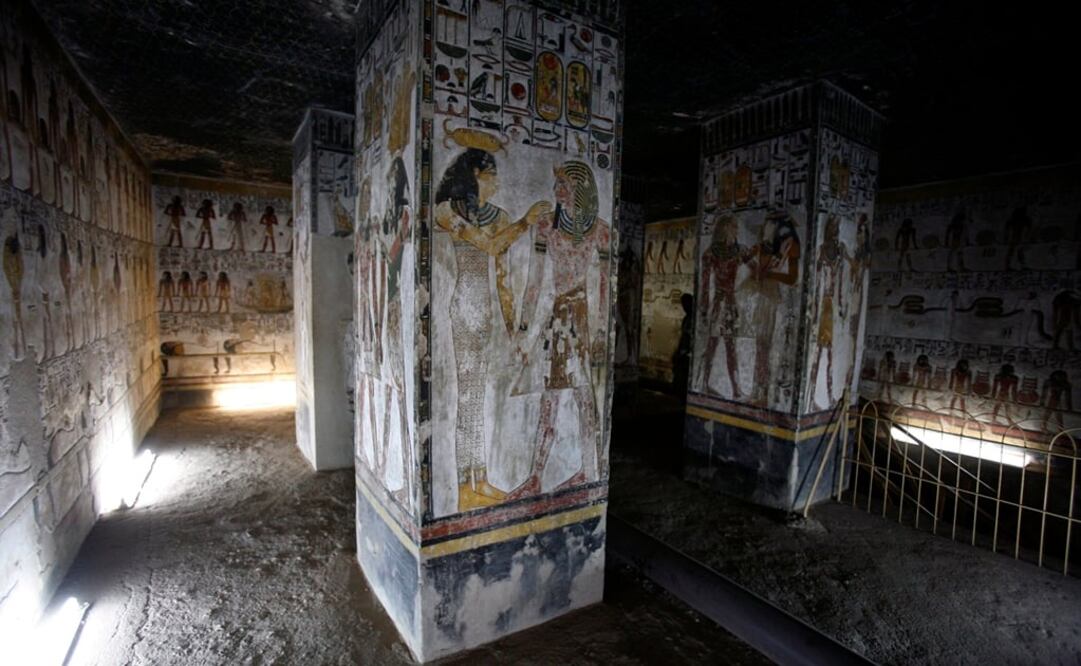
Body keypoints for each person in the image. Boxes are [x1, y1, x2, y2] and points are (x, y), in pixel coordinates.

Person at [434, 141, 550, 511]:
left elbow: (502, 277)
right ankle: (463, 483)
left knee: (477, 398)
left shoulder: (498, 216)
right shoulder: (447, 211)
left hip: (483, 310)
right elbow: (487, 245)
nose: (498, 183)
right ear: (475, 176)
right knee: (465, 398)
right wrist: (524, 223)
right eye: (493, 176)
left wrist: (514, 328)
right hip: (463, 308)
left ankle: (479, 478)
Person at [508, 160, 609, 501]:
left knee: (585, 399)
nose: (557, 191)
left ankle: (587, 470)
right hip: (558, 317)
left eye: (564, 185)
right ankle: (536, 475)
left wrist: (599, 334)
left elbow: (605, 287)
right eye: (557, 186)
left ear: (580, 190)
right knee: (551, 398)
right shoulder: (545, 226)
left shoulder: (600, 230)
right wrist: (523, 330)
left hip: (579, 316)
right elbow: (534, 282)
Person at [672, 293, 694, 396]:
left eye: (686, 304)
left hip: (689, 353)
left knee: (684, 377)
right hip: (683, 351)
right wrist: (678, 350)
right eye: (683, 305)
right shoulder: (686, 318)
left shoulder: (694, 319)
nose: (684, 307)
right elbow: (683, 336)